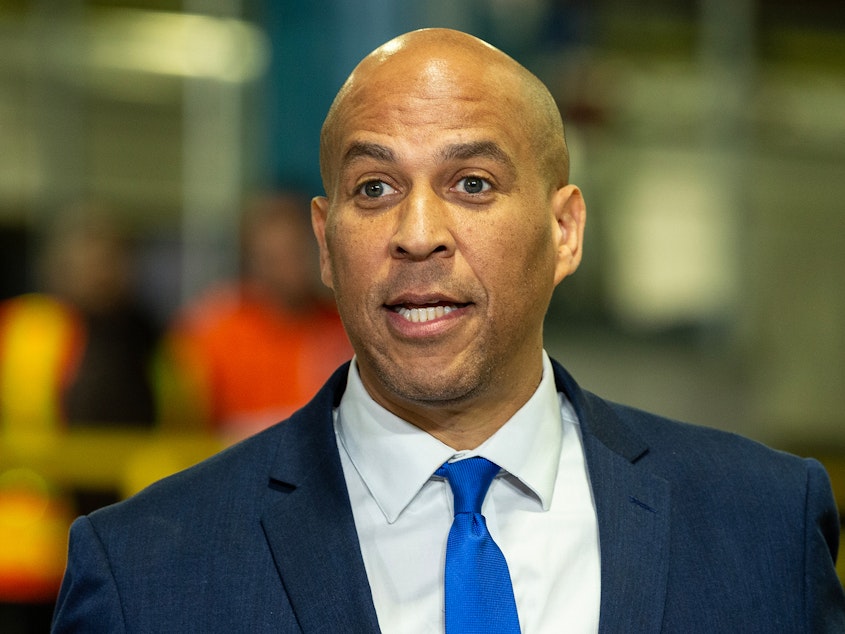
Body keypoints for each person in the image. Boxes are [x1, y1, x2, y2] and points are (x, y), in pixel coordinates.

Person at [51, 28, 845, 632]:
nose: (418, 231)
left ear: (564, 231)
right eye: (374, 187)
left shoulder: (764, 525)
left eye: (472, 182)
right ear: (325, 243)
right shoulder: (146, 572)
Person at [161, 191, 352, 442]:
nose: (290, 268)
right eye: (275, 258)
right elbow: (181, 429)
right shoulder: (208, 332)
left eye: (297, 253)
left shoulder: (345, 327)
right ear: (250, 258)